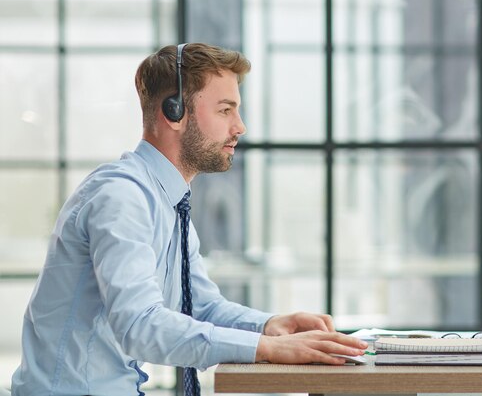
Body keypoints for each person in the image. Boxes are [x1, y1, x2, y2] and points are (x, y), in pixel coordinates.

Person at [11, 43, 367, 396]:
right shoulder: (122, 198)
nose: (240, 127)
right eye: (226, 110)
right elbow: (138, 324)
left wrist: (269, 327)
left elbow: (199, 306)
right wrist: (264, 349)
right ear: (175, 111)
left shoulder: (169, 202)